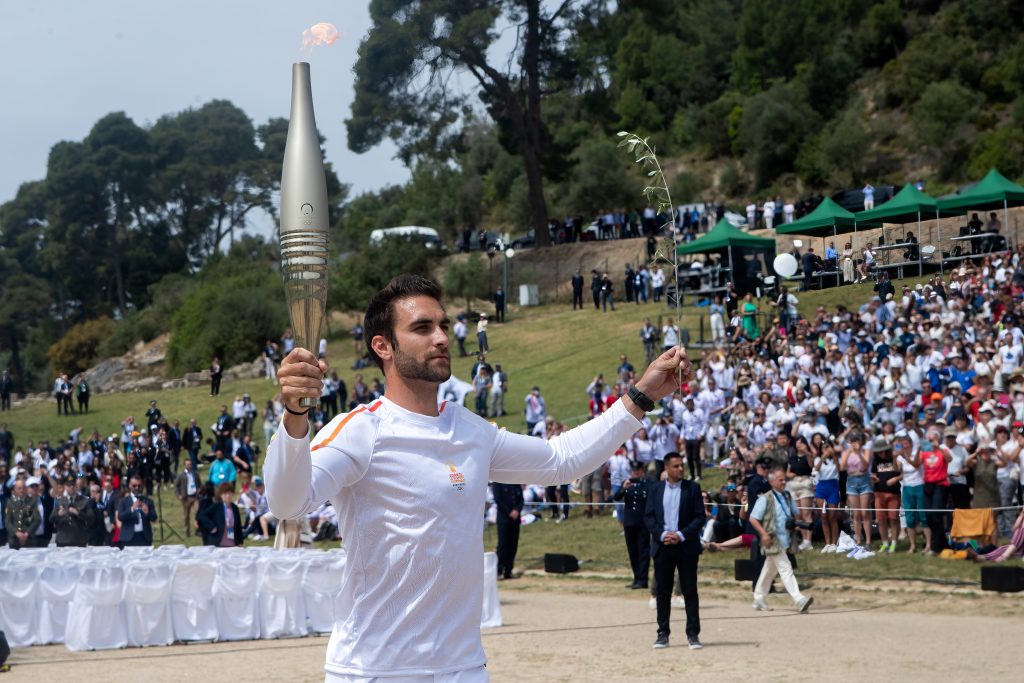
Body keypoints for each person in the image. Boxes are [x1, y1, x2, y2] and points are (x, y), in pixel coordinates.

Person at [265, 273, 690, 679]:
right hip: (375, 669)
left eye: (443, 325)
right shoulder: (360, 430)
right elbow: (287, 503)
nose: (441, 338)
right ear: (383, 346)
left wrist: (642, 394)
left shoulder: (470, 430)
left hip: (464, 667)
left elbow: (561, 460)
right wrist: (295, 416)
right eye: (422, 327)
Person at [645, 452, 705, 650]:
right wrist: (662, 534)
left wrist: (680, 534)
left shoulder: (692, 488)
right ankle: (662, 633)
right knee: (663, 592)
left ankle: (693, 634)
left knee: (689, 591)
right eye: (676, 466)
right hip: (663, 546)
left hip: (686, 546)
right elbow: (649, 517)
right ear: (667, 468)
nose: (680, 469)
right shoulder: (655, 489)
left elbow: (699, 517)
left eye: (682, 465)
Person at [748, 467, 814, 613]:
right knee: (785, 568)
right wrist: (764, 534)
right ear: (772, 482)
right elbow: (753, 518)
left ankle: (759, 598)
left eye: (784, 479)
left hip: (786, 539)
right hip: (772, 539)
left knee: (769, 571)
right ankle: (799, 599)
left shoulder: (788, 496)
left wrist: (795, 524)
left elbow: (795, 513)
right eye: (780, 480)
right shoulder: (765, 498)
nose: (784, 482)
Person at [614, 460, 651, 589]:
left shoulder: (648, 484)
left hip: (642, 523)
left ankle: (643, 579)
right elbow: (616, 497)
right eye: (634, 471)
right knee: (632, 552)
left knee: (643, 552)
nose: (636, 473)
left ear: (642, 471)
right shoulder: (627, 484)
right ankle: (636, 578)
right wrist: (623, 488)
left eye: (638, 470)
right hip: (629, 523)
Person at [491, 482, 523, 580]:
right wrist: (510, 512)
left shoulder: (515, 482)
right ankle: (498, 571)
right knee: (503, 545)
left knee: (513, 545)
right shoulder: (497, 483)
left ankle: (508, 571)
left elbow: (521, 500)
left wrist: (517, 510)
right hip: (503, 519)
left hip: (515, 520)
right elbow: (498, 500)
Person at [197, 482, 244, 547]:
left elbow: (238, 526)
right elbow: (202, 516)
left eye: (229, 493)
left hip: (232, 544)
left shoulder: (235, 508)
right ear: (221, 495)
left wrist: (240, 541)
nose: (227, 496)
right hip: (218, 543)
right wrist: (211, 526)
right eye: (225, 494)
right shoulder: (216, 506)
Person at [53, 474, 94, 547]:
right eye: (68, 485)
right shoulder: (60, 500)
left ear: (76, 486)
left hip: (79, 539)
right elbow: (51, 518)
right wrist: (59, 514)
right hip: (63, 539)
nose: (71, 487)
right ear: (65, 487)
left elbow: (91, 518)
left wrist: (78, 513)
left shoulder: (85, 500)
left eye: (73, 485)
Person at [116, 475, 157, 547]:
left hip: (144, 537)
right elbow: (120, 517)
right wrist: (132, 509)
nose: (137, 488)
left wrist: (147, 512)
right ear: (129, 486)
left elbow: (154, 518)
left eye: (139, 485)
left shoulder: (148, 501)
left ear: (142, 486)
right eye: (134, 486)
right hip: (128, 538)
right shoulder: (123, 501)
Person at [4, 479, 41, 549]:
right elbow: (7, 521)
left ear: (26, 488)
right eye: (19, 488)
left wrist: (27, 533)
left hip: (29, 539)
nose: (21, 490)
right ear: (15, 489)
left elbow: (37, 520)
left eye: (23, 488)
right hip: (14, 539)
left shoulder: (32, 501)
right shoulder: (10, 502)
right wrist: (16, 533)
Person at [175, 458, 202, 538]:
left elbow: (199, 484)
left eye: (190, 464)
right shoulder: (181, 475)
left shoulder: (195, 474)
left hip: (195, 497)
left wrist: (199, 490)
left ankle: (198, 530)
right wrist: (179, 495)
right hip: (186, 498)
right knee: (186, 515)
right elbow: (176, 486)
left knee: (198, 513)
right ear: (185, 465)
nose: (189, 466)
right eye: (187, 464)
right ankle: (187, 532)